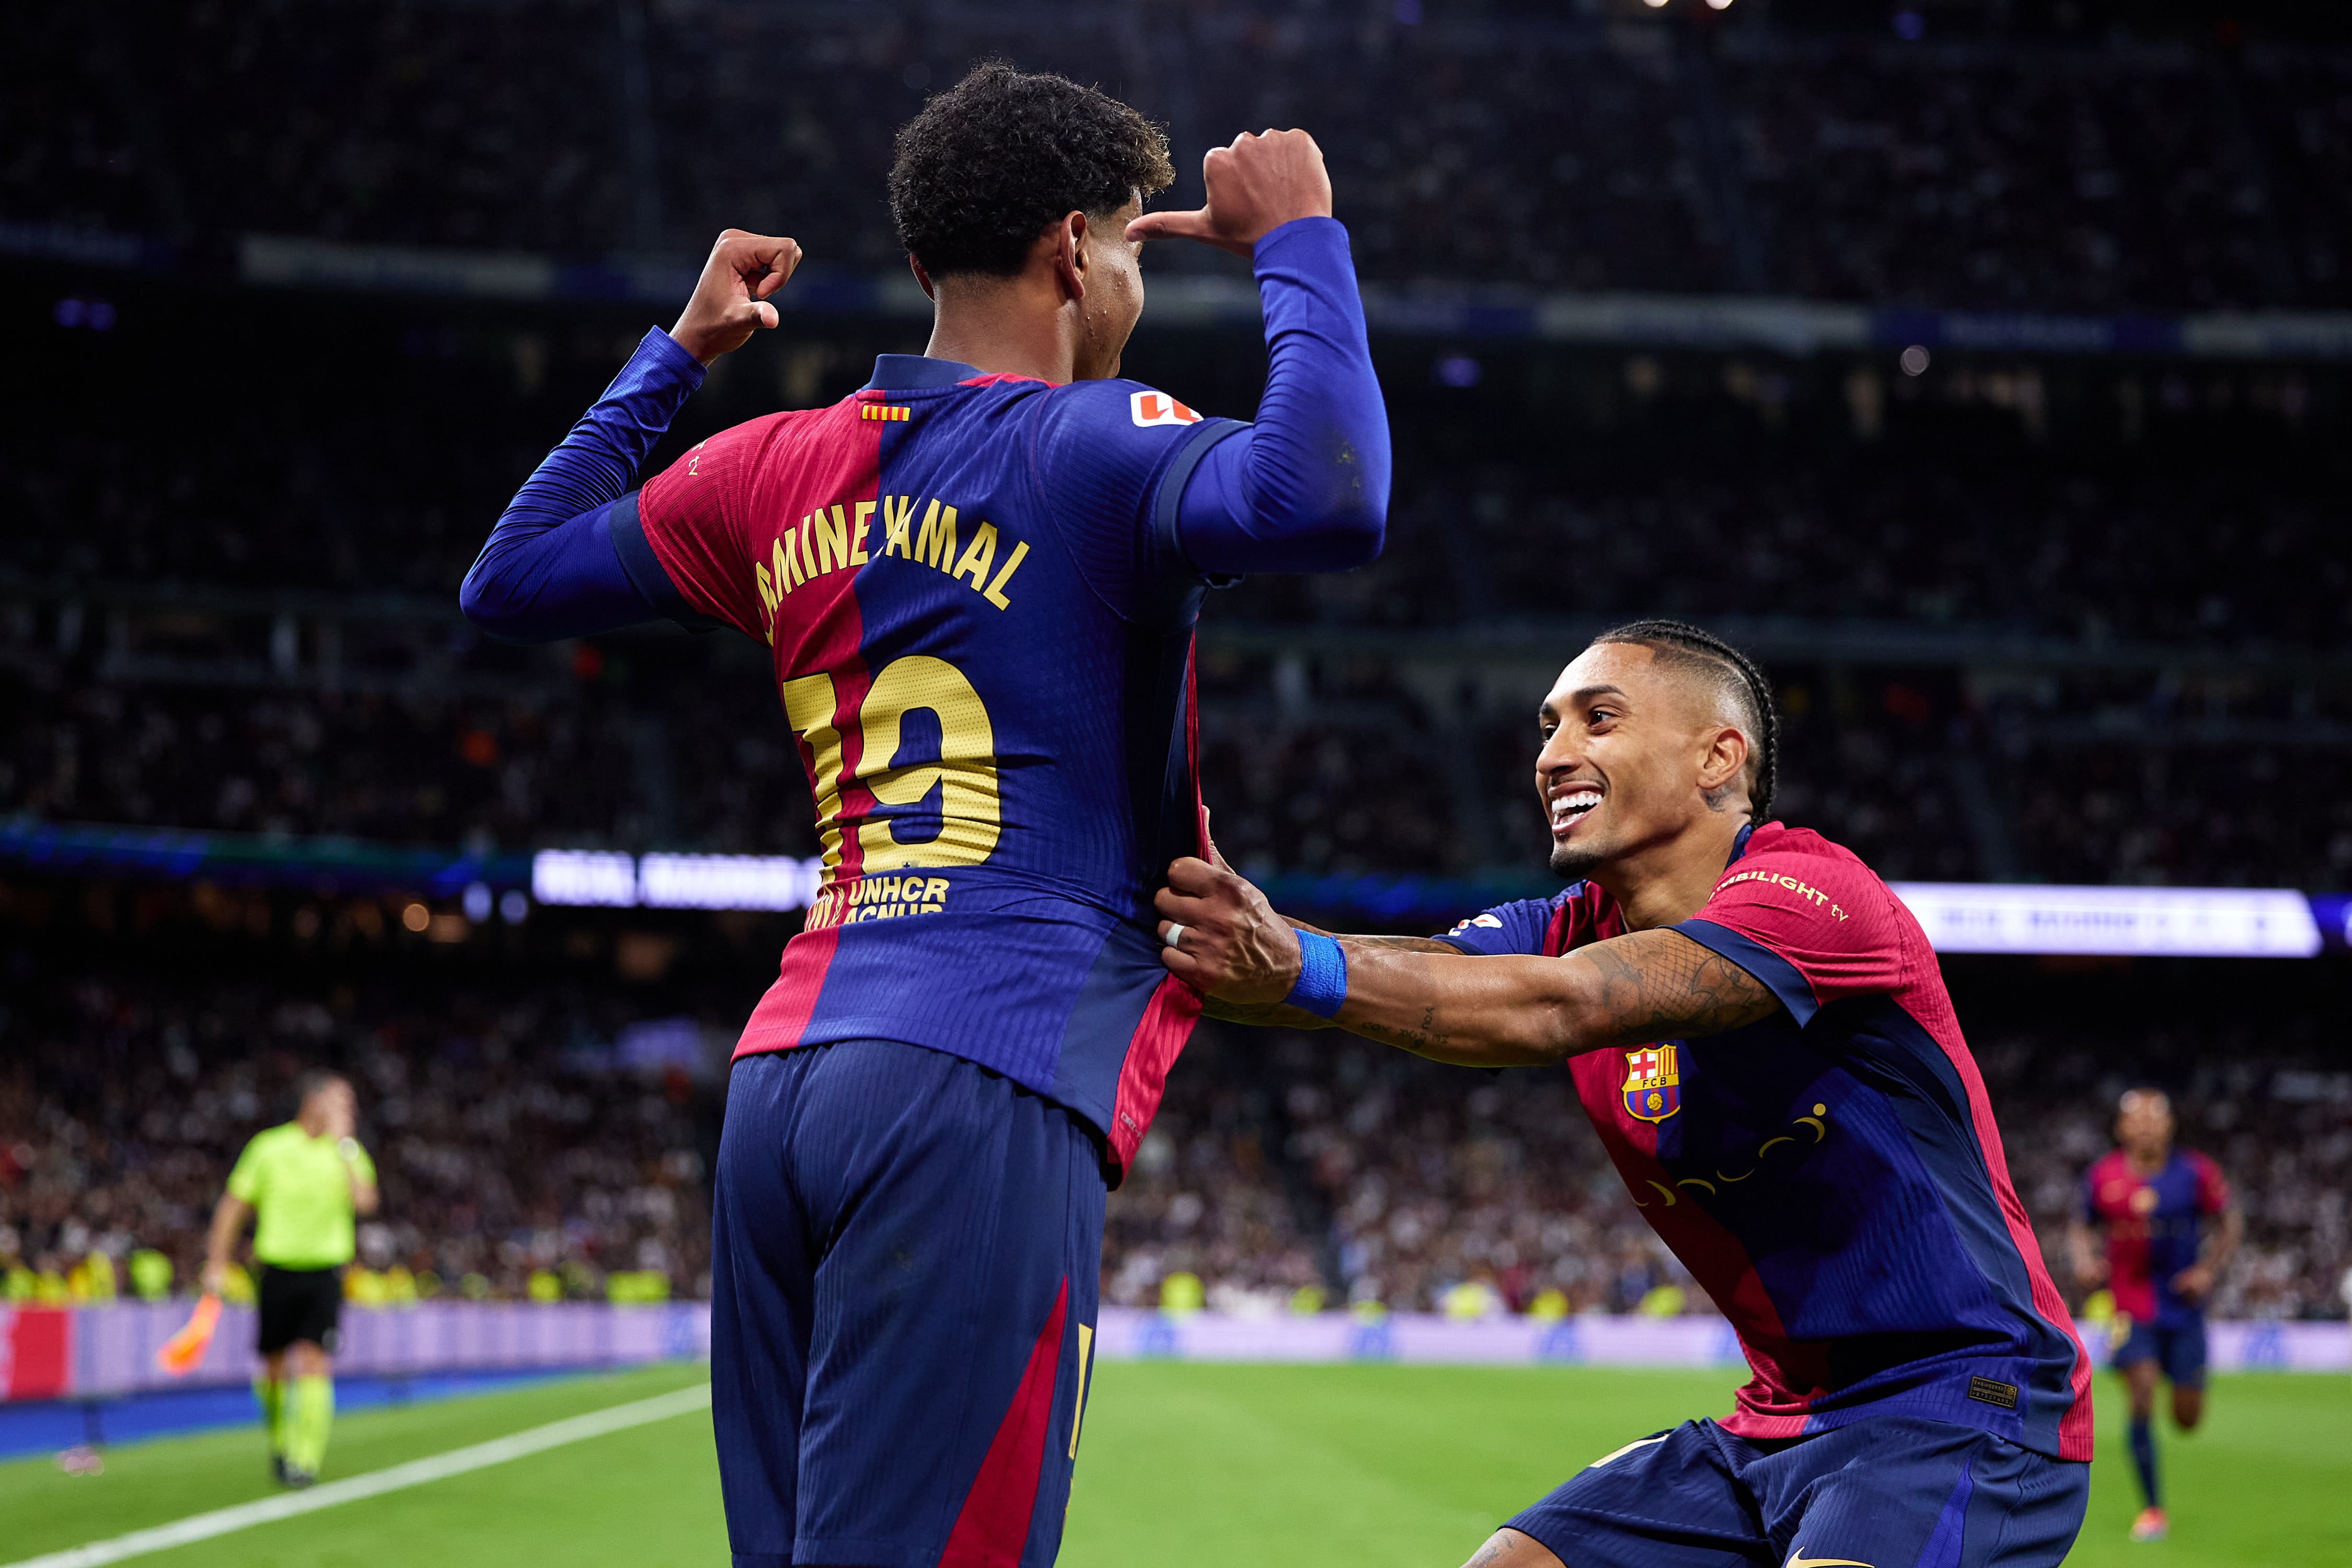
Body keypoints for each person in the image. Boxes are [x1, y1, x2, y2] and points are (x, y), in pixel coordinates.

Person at [459, 64, 1387, 1568]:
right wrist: (1301, 243)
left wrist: (679, 351)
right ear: (1076, 248)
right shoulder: (1094, 442)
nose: (1139, 287)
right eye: (1136, 253)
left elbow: (507, 578)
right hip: (984, 1072)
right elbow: (1329, 493)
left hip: (786, 1085)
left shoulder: (766, 467)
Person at [1154, 620, 2092, 1568]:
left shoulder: (1815, 895)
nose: (1553, 756)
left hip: (1965, 1403)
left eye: (1598, 720)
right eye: (1549, 727)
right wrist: (1210, 945)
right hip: (1776, 1424)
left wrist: (1292, 964)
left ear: (1718, 757)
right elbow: (1402, 977)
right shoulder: (1567, 925)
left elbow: (1563, 1006)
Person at [2069, 1087, 2240, 1543]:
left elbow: (2230, 1222)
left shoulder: (2196, 1173)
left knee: (2187, 1419)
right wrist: (2085, 1261)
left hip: (2183, 1308)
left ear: (2169, 1126)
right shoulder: (2102, 1176)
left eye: (2154, 1118)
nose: (2145, 1126)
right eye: (2136, 1119)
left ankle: (2174, 1376)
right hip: (2130, 1306)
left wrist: (2207, 1270)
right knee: (2142, 1392)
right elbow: (2081, 1226)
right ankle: (2152, 1509)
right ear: (2122, 1128)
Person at [202, 1069, 378, 1488]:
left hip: (324, 1271)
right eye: (340, 1101)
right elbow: (233, 1208)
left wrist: (346, 1144)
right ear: (313, 1101)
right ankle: (281, 1440)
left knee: (315, 1361)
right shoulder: (270, 1147)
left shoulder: (349, 1153)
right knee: (273, 1366)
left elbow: (365, 1202)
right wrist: (216, 1262)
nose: (347, 1111)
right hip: (277, 1269)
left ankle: (305, 1459)